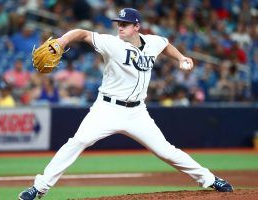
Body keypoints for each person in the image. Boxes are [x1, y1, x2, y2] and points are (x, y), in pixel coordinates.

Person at [18, 8, 233, 200]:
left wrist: (180, 57)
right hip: (107, 109)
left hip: (137, 112)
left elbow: (166, 45)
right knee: (77, 142)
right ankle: (39, 188)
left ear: (136, 26)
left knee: (167, 151)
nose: (119, 27)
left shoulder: (153, 42)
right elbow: (82, 33)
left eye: (124, 24)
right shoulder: (111, 44)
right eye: (118, 23)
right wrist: (63, 41)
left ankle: (211, 179)